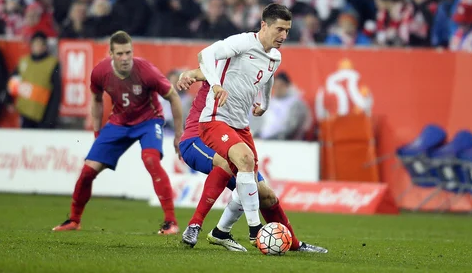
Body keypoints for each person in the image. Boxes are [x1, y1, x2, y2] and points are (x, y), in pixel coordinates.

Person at [177, 74, 327, 254]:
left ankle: (293, 244)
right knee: (226, 162)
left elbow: (267, 78)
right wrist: (188, 75)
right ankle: (195, 225)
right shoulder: (222, 64)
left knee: (266, 195)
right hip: (197, 138)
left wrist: (264, 104)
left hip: (228, 140)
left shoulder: (255, 67)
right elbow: (201, 67)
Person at [52, 31, 183, 235]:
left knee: (151, 160)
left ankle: (171, 222)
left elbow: (173, 97)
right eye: (120, 54)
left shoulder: (146, 70)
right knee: (87, 171)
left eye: (128, 53)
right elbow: (96, 100)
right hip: (119, 123)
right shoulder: (100, 72)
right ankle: (74, 220)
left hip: (149, 120)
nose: (125, 58)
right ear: (111, 54)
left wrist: (178, 135)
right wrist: (97, 132)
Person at [7, 32, 61, 129]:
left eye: (41, 44)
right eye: (35, 44)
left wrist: (51, 116)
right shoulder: (23, 61)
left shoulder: (52, 63)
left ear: (45, 46)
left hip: (43, 112)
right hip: (24, 110)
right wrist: (9, 99)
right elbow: (14, 81)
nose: (38, 47)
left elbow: (57, 91)